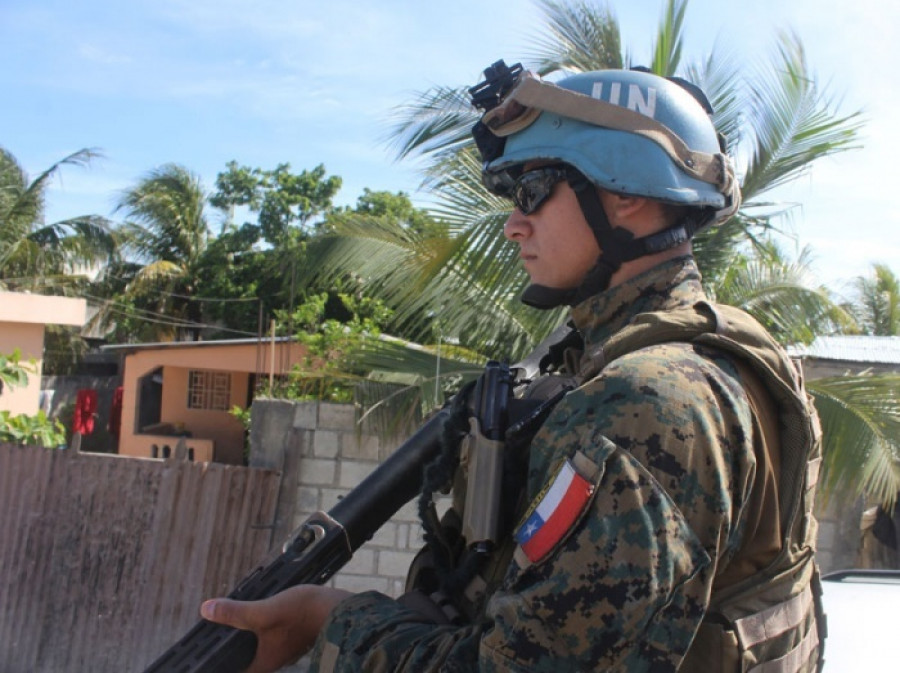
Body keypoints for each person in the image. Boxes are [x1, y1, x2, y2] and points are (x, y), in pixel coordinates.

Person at [201, 62, 825, 672]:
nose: (512, 225)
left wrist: (327, 620)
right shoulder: (701, 357)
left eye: (531, 191)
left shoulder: (648, 402)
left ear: (628, 193)